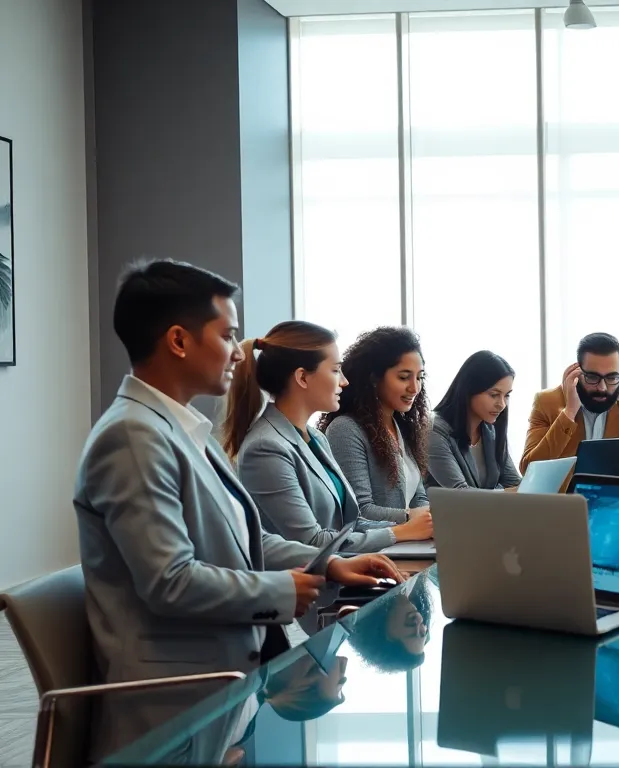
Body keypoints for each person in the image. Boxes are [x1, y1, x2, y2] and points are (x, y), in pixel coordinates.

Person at [73, 260, 402, 761]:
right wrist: (279, 589)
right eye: (227, 335)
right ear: (179, 341)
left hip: (226, 691)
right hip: (177, 710)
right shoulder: (132, 437)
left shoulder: (179, 429)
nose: (238, 352)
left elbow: (242, 541)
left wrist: (326, 564)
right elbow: (171, 581)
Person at [224, 321, 433, 551]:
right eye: (335, 370)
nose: (344, 381)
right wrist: (399, 531)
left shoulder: (315, 438)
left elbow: (349, 523)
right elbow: (311, 542)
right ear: (302, 378)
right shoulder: (265, 447)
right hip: (306, 582)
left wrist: (412, 526)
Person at [319, 327, 433, 528]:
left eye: (419, 377)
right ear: (373, 378)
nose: (414, 388)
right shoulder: (346, 429)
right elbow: (360, 510)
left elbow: (419, 498)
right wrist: (411, 518)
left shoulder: (403, 426)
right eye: (404, 377)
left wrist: (430, 517)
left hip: (409, 543)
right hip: (375, 549)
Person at [521, 332, 619, 478]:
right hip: (565, 500)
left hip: (612, 497)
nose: (602, 388)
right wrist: (569, 412)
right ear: (577, 372)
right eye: (592, 377)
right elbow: (529, 469)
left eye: (612, 377)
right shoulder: (546, 402)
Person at [427, 351, 522, 490]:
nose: (502, 404)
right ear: (469, 390)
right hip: (447, 512)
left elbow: (514, 483)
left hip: (487, 512)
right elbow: (461, 494)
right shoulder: (434, 430)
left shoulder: (491, 430)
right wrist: (505, 492)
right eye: (494, 395)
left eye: (506, 395)